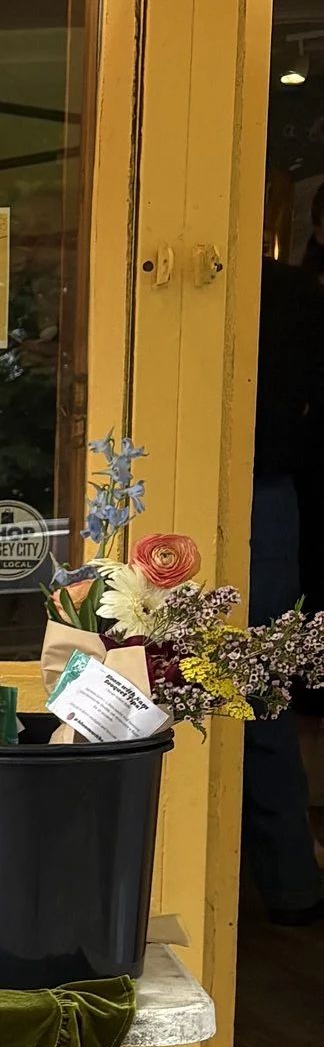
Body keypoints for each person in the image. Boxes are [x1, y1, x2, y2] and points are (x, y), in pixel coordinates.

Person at [242, 248, 324, 922]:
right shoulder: (298, 293)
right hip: (269, 493)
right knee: (263, 689)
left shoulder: (139, 264)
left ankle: (165, 863)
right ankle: (290, 878)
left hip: (152, 481)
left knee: (140, 674)